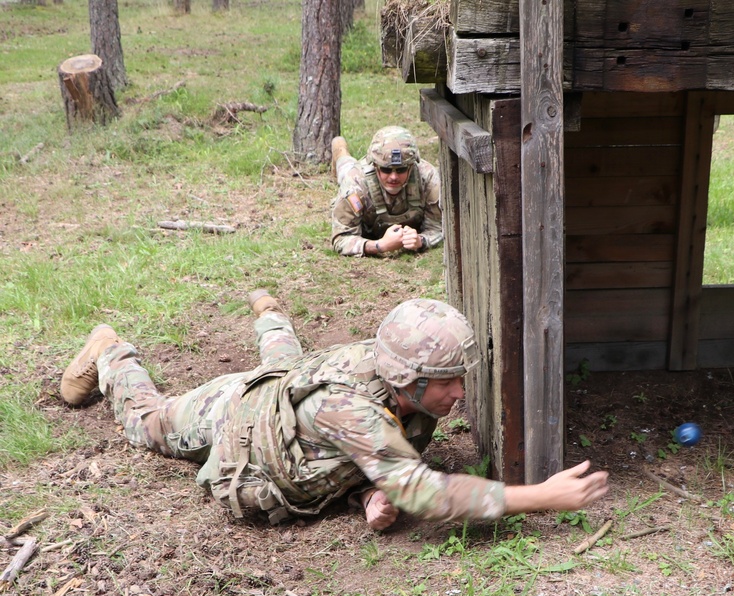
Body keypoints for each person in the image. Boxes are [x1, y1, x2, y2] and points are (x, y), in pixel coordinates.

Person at [60, 293, 609, 528]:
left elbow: (370, 453)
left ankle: (271, 315)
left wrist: (367, 492)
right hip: (235, 415)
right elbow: (424, 492)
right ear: (407, 379)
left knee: (286, 362)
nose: (460, 395)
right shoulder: (350, 408)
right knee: (147, 424)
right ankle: (111, 352)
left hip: (297, 398)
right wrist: (542, 497)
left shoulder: (395, 378)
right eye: (448, 383)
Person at [329, 126, 443, 257]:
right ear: (375, 166)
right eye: (386, 170)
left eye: (401, 170)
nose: (393, 177)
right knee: (345, 168)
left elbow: (438, 227)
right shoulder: (356, 183)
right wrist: (380, 246)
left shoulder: (428, 179)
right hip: (353, 178)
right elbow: (341, 238)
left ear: (411, 167)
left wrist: (421, 241)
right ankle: (340, 150)